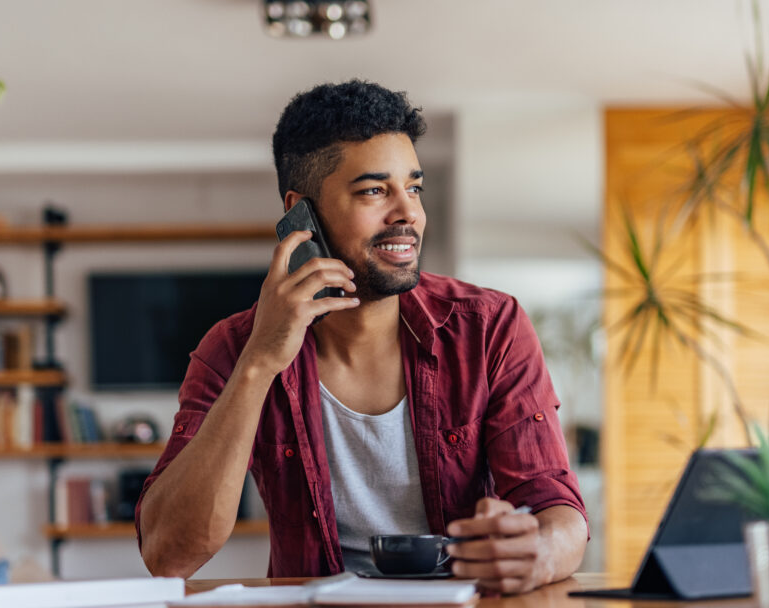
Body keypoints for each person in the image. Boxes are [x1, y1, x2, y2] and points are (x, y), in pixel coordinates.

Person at [136, 80, 587, 594]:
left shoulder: (489, 327)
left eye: (413, 188)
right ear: (299, 214)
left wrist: (539, 552)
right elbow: (169, 555)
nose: (408, 213)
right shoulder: (234, 349)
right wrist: (259, 363)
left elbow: (556, 505)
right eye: (374, 191)